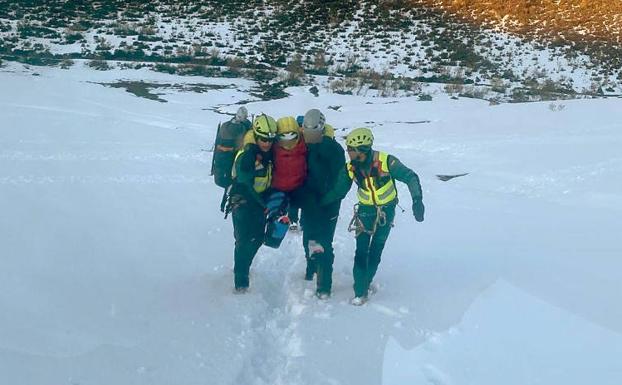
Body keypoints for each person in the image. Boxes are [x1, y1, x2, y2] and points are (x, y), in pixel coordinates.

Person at [320, 127, 425, 305]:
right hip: (365, 211)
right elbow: (338, 191)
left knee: (376, 250)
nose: (348, 153)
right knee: (361, 251)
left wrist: (417, 200)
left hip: (387, 211)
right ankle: (360, 291)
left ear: (362, 150)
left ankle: (365, 282)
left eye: (350, 149)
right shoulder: (350, 168)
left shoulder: (386, 161)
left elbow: (410, 176)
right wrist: (319, 204)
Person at [227, 114, 277, 293]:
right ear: (256, 135)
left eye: (271, 139)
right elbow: (246, 183)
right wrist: (264, 204)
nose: (267, 142)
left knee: (255, 239)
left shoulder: (268, 154)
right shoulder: (247, 155)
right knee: (244, 240)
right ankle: (241, 282)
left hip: (258, 201)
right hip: (243, 200)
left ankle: (241, 266)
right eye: (264, 138)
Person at [300, 109, 346, 299]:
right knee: (309, 238)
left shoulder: (334, 150)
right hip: (310, 201)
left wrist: (328, 199)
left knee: (324, 242)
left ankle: (324, 286)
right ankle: (311, 267)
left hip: (328, 203)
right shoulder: (303, 147)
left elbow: (342, 180)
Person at [211, 106, 252, 211]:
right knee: (233, 186)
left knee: (230, 187)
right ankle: (229, 205)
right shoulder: (242, 128)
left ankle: (226, 204)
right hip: (232, 164)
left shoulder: (226, 126)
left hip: (223, 165)